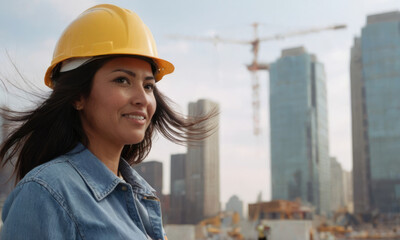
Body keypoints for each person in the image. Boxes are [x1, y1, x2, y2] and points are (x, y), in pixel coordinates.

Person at [0, 4, 215, 240]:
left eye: (148, 85)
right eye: (122, 80)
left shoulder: (140, 196)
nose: (142, 98)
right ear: (77, 96)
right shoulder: (45, 194)